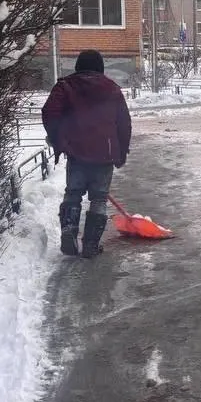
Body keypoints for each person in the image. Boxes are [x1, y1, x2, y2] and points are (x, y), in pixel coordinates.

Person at [41, 50, 131, 258]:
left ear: (78, 66)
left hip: (76, 152)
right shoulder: (112, 89)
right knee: (99, 199)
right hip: (104, 154)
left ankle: (69, 231)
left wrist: (59, 138)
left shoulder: (65, 86)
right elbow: (124, 123)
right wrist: (121, 151)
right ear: (100, 67)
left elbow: (49, 113)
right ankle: (90, 244)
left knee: (73, 193)